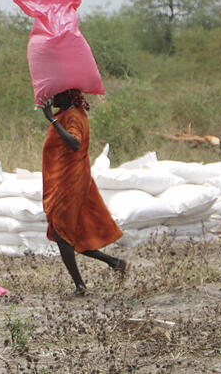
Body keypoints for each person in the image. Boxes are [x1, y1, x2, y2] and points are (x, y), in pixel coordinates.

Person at [41, 88, 129, 295]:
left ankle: (81, 286)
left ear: (68, 96)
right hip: (66, 179)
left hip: (70, 181)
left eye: (57, 94)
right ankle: (114, 263)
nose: (53, 98)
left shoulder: (71, 116)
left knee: (62, 233)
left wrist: (51, 121)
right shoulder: (67, 114)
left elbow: (74, 143)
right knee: (70, 233)